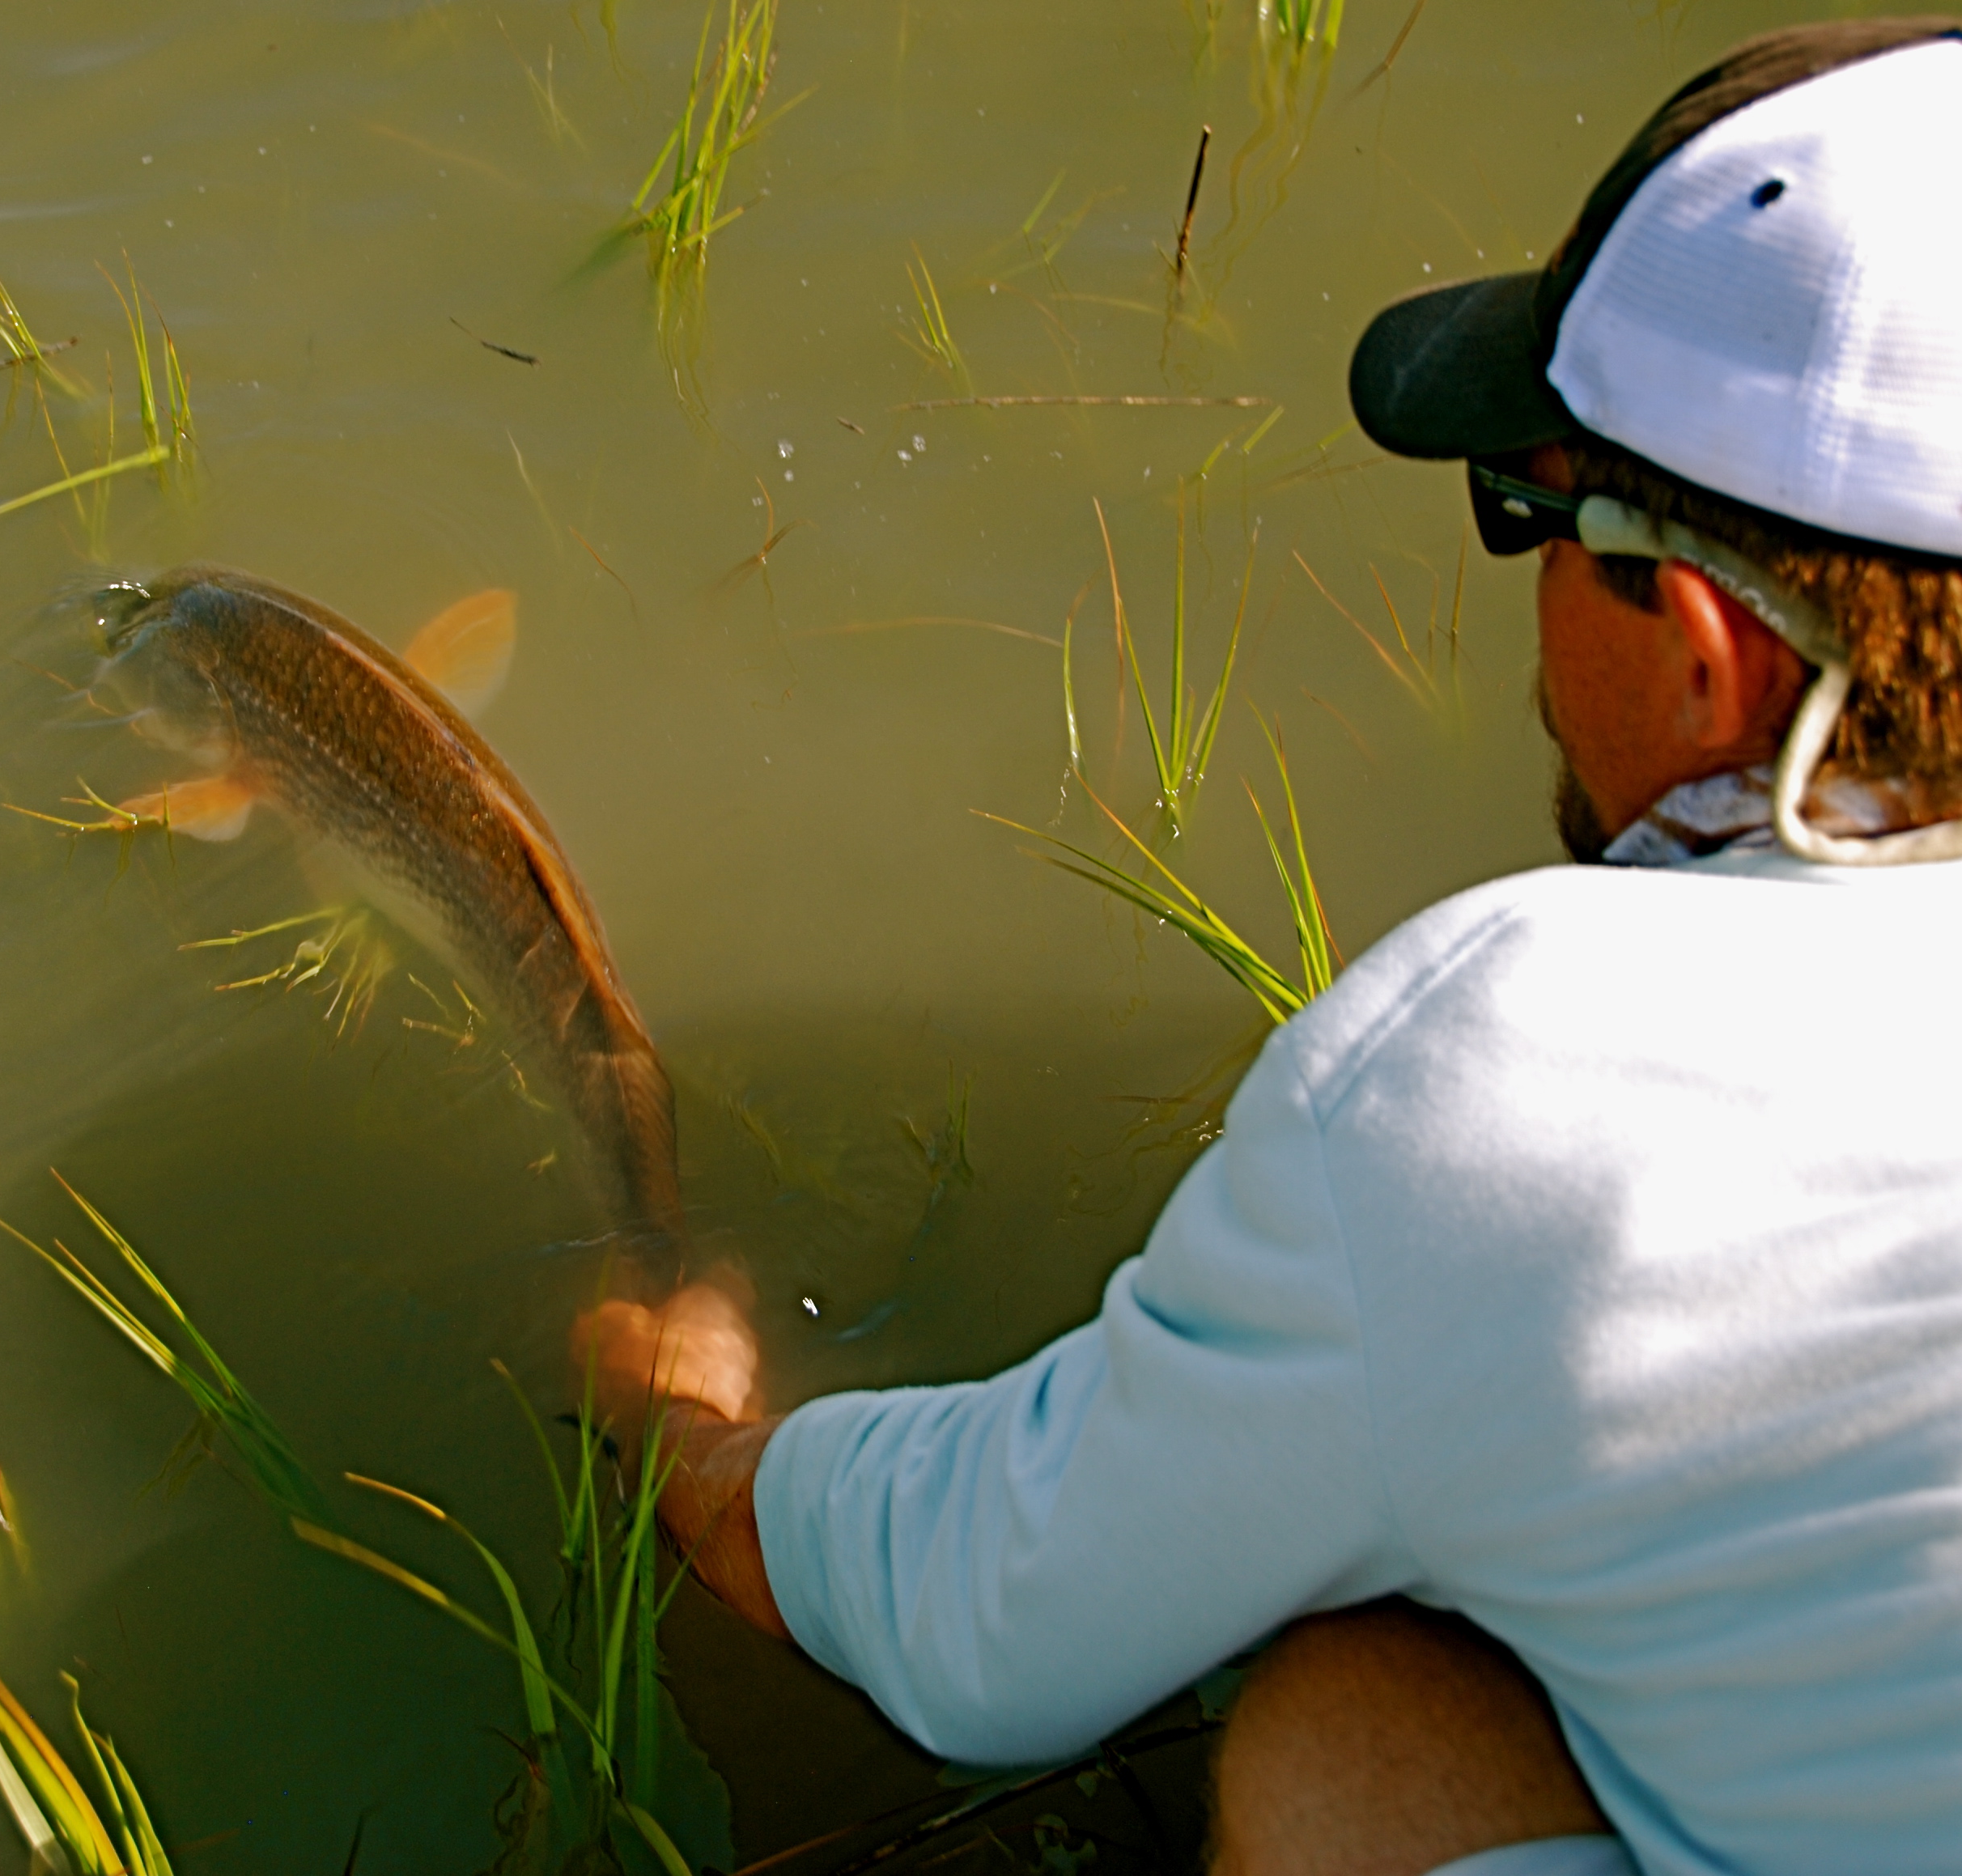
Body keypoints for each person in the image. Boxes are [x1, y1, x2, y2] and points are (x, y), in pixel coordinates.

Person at [579, 19, 1962, 1874]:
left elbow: (982, 1615)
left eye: (1529, 513)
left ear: (1702, 649)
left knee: (1347, 1722)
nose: (1519, 581)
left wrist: (693, 1434)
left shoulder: (1526, 1074)